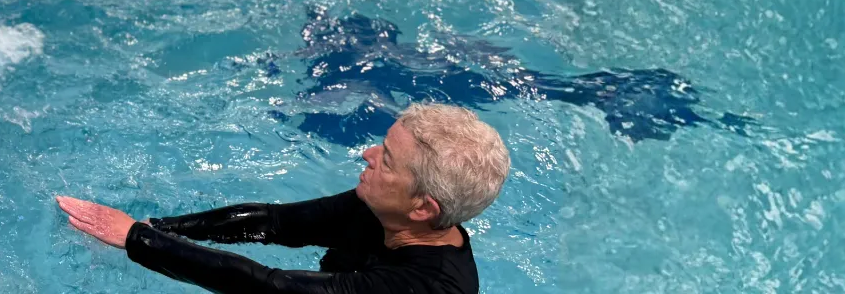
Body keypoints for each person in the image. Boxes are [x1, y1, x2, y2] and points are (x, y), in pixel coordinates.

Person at [57, 103, 509, 294]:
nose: (367, 155)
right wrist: (158, 227)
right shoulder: (382, 207)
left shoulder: (424, 287)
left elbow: (270, 288)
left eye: (387, 159)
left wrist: (138, 240)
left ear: (422, 207)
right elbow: (274, 223)